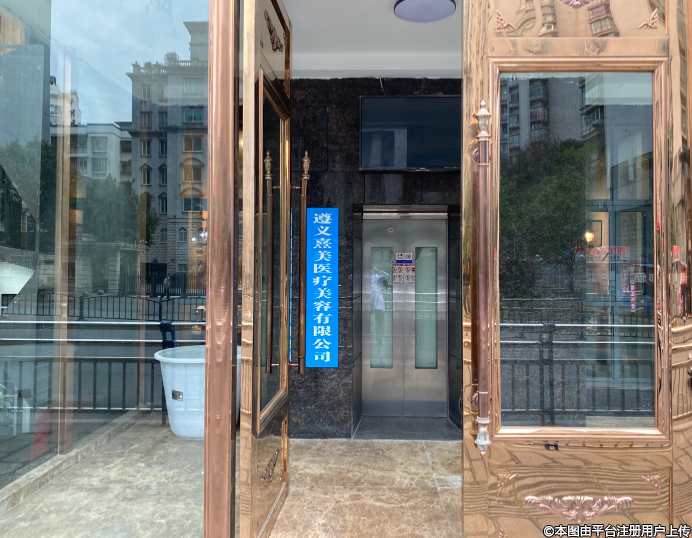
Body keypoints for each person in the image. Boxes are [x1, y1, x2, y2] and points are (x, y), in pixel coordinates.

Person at [371, 265, 389, 344]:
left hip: (378, 304)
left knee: (379, 322)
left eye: (372, 269)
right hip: (369, 304)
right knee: (369, 321)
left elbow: (386, 276)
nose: (371, 271)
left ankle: (379, 338)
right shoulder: (364, 278)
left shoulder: (377, 277)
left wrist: (378, 270)